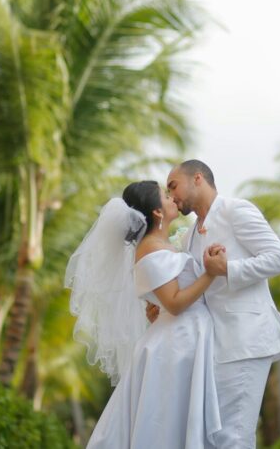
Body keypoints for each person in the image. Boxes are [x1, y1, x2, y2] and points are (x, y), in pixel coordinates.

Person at [66, 180, 229, 448]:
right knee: (166, 424)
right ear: (157, 212)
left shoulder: (159, 244)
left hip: (180, 337)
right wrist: (210, 273)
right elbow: (175, 303)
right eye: (166, 195)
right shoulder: (152, 247)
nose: (172, 198)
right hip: (176, 344)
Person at [152, 160, 280, 448]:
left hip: (245, 339)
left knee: (235, 435)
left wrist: (228, 269)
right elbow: (198, 288)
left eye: (173, 186)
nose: (171, 196)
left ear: (197, 179)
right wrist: (161, 306)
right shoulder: (192, 233)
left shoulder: (236, 210)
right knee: (216, 437)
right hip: (215, 346)